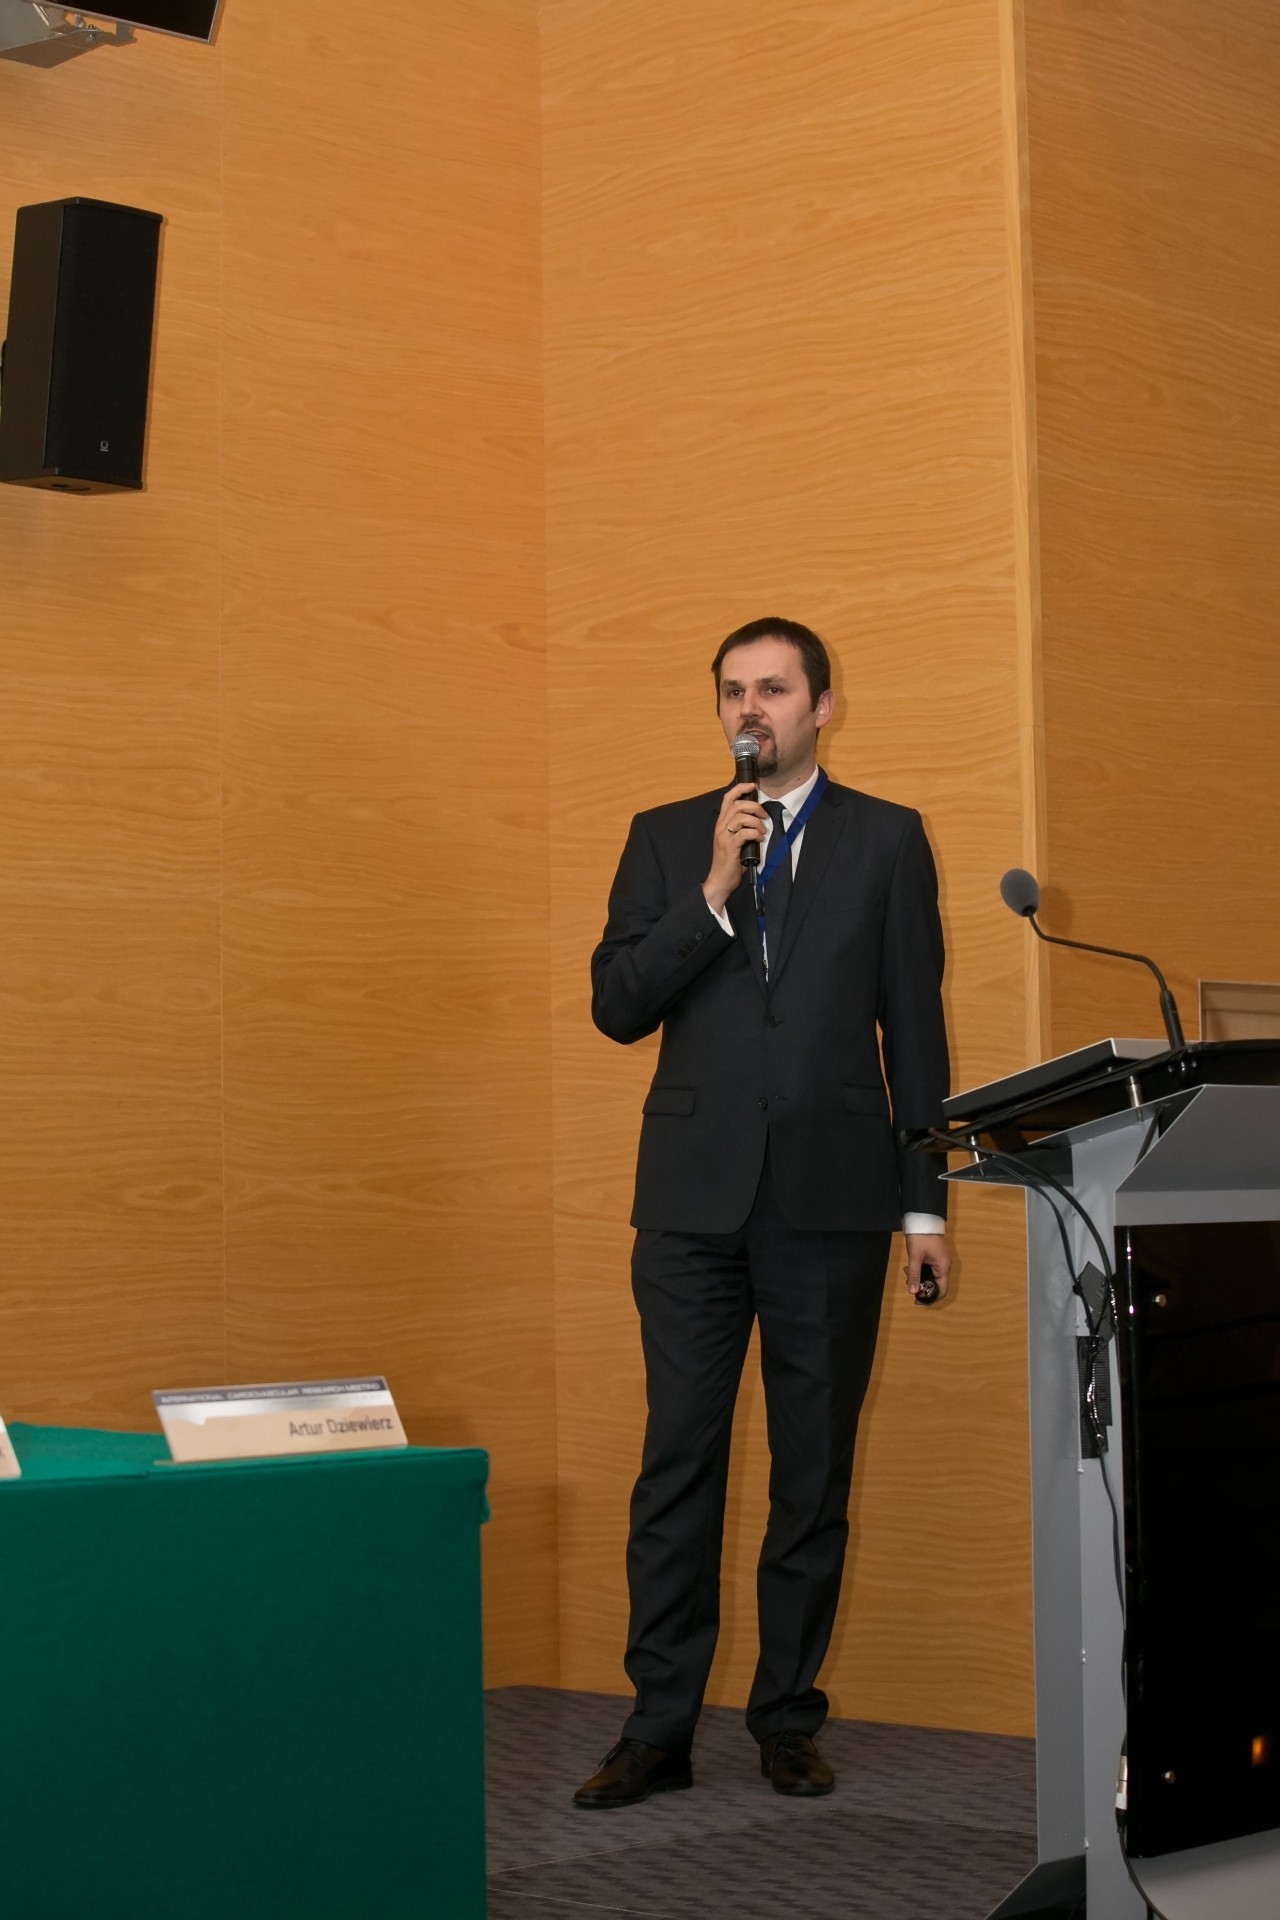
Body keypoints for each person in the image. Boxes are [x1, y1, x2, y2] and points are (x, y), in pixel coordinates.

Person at [573, 617, 951, 1810]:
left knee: (810, 1471)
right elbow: (617, 1007)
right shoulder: (667, 836)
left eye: (774, 689)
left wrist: (924, 1209)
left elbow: (916, 1033)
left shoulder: (887, 839)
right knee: (675, 1463)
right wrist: (709, 893)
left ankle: (785, 1717)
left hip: (831, 1201)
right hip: (690, 1204)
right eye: (733, 691)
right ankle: (657, 1727)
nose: (751, 709)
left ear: (820, 706)